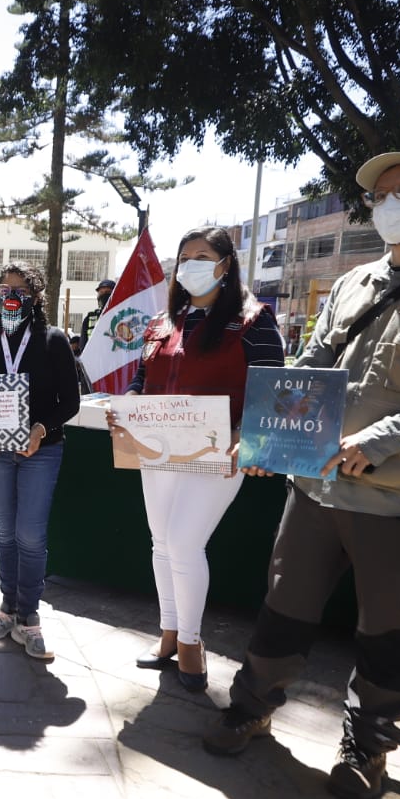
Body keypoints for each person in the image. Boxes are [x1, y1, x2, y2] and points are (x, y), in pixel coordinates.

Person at [203, 151, 400, 799]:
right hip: (318, 487)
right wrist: (267, 435)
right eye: (383, 194)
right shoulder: (353, 284)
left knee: (390, 630)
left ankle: (368, 749)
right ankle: (251, 707)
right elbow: (310, 372)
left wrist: (382, 441)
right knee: (283, 607)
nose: (394, 201)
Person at [118, 226, 284, 691]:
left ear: (225, 264)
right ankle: (168, 633)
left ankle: (192, 641)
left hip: (219, 452)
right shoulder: (162, 324)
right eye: (184, 256)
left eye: (202, 255)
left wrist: (243, 435)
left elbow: (274, 391)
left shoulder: (254, 319)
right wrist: (127, 412)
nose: (189, 264)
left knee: (185, 543)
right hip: (159, 450)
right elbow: (141, 381)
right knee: (162, 544)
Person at [0, 261, 82, 660]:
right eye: (4, 289)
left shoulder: (53, 341)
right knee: (8, 534)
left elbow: (71, 402)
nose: (11, 297)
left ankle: (29, 616)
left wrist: (40, 429)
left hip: (40, 452)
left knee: (31, 535)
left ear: (35, 299)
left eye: (21, 290)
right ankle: (7, 608)